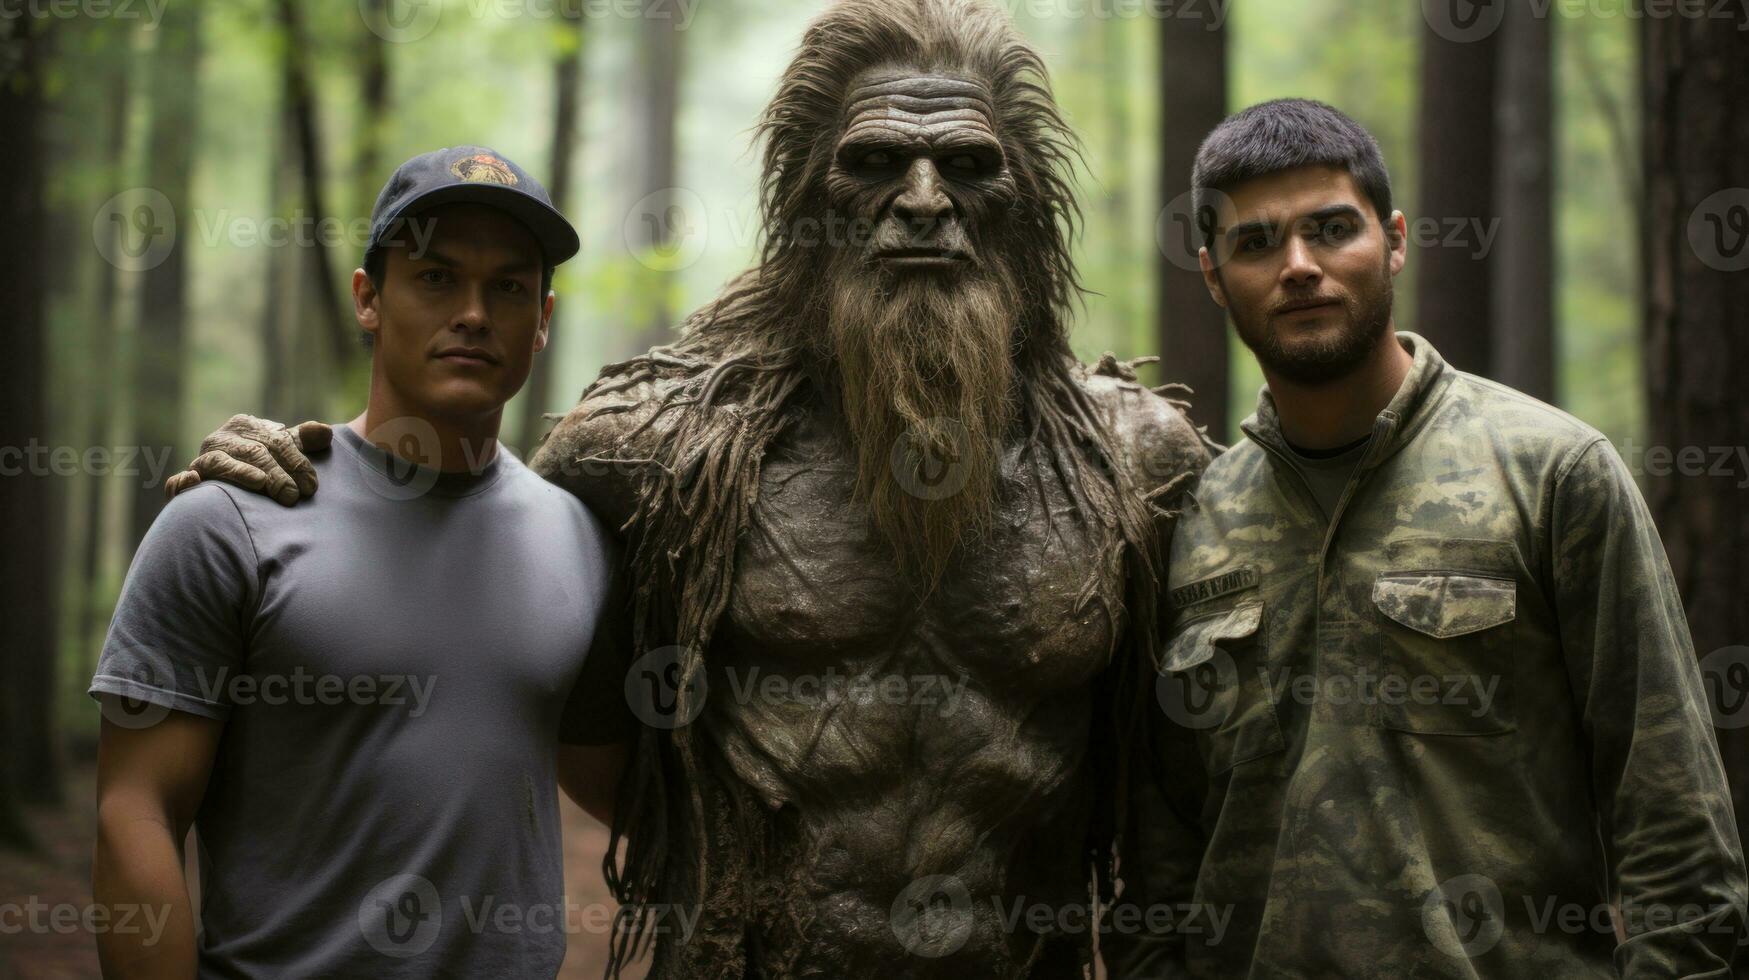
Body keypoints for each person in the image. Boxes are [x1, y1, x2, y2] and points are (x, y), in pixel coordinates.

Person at [156, 1, 1219, 976]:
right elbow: (460, 502)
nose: (925, 201)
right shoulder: (659, 446)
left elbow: (1180, 804)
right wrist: (299, 461)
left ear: (1025, 204)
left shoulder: (1135, 461)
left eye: (969, 166)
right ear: (808, 198)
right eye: (878, 161)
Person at [1108, 98, 1748, 978]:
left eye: (1331, 228)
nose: (1298, 266)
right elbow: (1158, 867)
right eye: (1255, 243)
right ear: (1214, 276)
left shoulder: (1552, 475)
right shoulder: (1189, 522)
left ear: (1395, 240)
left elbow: (1677, 838)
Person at [90, 146, 629, 978]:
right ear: (369, 299)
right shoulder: (230, 521)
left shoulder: (582, 540)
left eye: (509, 288)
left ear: (544, 318)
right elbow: (136, 811)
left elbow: (624, 781)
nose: (475, 314)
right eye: (437, 278)